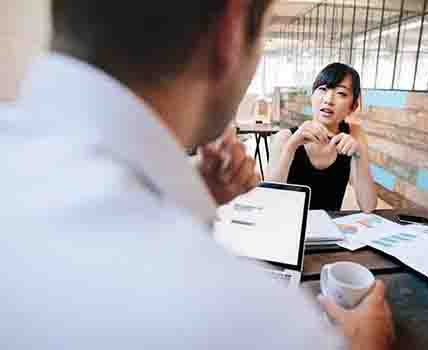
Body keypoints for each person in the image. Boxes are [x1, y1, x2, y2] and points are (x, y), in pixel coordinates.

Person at [2, 1, 393, 350]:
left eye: (340, 93)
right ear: (231, 28)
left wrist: (191, 195)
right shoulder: (261, 321)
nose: (328, 99)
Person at [266, 63, 377, 212]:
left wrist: (360, 156)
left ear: (353, 106)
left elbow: (368, 206)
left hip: (329, 231)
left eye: (341, 93)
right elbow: (268, 201)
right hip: (288, 229)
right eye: (323, 89)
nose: (329, 99)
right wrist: (291, 147)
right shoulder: (285, 137)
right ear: (312, 97)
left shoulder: (354, 134)